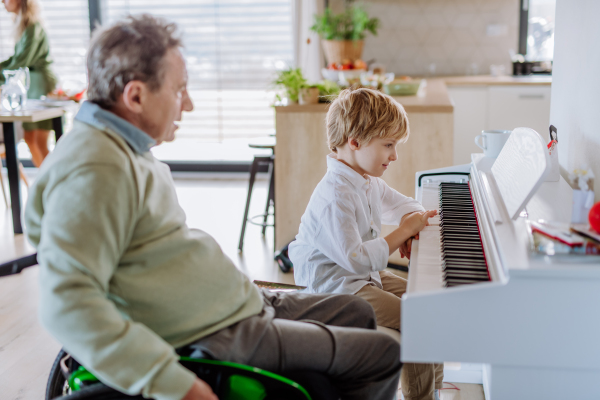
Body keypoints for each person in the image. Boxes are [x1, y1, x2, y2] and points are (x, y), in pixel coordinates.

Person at [24, 15, 402, 400]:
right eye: (179, 90)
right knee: (384, 354)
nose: (187, 104)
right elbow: (68, 305)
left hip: (234, 304)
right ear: (135, 96)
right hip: (219, 332)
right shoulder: (96, 169)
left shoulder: (125, 150)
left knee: (360, 314)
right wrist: (175, 384)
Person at [288, 87, 443, 400]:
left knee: (430, 303)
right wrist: (402, 233)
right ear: (354, 141)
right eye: (388, 144)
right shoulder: (335, 196)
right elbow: (357, 259)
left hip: (360, 279)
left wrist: (409, 223)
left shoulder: (367, 181)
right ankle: (421, 396)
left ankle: (437, 388)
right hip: (336, 290)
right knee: (419, 320)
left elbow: (406, 206)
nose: (394, 155)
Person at [0, 0, 58, 167]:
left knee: (40, 142)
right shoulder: (25, 27)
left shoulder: (33, 27)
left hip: (41, 84)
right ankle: (46, 184)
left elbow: (20, 63)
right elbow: (14, 60)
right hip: (32, 84)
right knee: (30, 139)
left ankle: (55, 185)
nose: (2, 1)